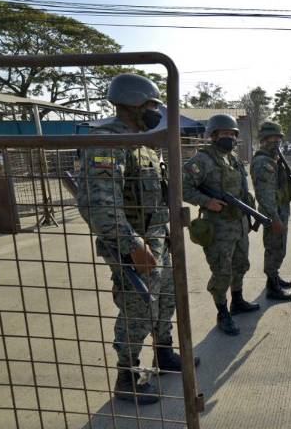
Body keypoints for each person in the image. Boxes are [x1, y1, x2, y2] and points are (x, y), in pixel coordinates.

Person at [76, 73, 199, 405]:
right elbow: (98, 204)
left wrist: (169, 229)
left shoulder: (143, 143)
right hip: (134, 246)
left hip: (158, 238)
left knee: (167, 299)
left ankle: (163, 352)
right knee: (138, 307)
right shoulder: (106, 141)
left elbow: (156, 195)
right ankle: (126, 375)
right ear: (132, 103)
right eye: (151, 104)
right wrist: (132, 245)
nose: (156, 111)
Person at [182, 114, 260, 336]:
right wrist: (207, 202)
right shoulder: (202, 161)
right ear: (213, 135)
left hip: (239, 223)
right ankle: (222, 312)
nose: (229, 137)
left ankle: (237, 301)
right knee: (221, 272)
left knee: (240, 265)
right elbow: (182, 187)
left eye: (232, 134)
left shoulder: (233, 158)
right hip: (218, 228)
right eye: (224, 133)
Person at [250, 122, 291, 302]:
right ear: (263, 140)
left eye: (278, 138)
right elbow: (265, 194)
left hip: (280, 210)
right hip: (273, 213)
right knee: (274, 248)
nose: (276, 142)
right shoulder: (263, 162)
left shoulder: (274, 159)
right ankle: (272, 287)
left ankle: (275, 277)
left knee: (280, 248)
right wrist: (275, 218)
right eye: (272, 138)